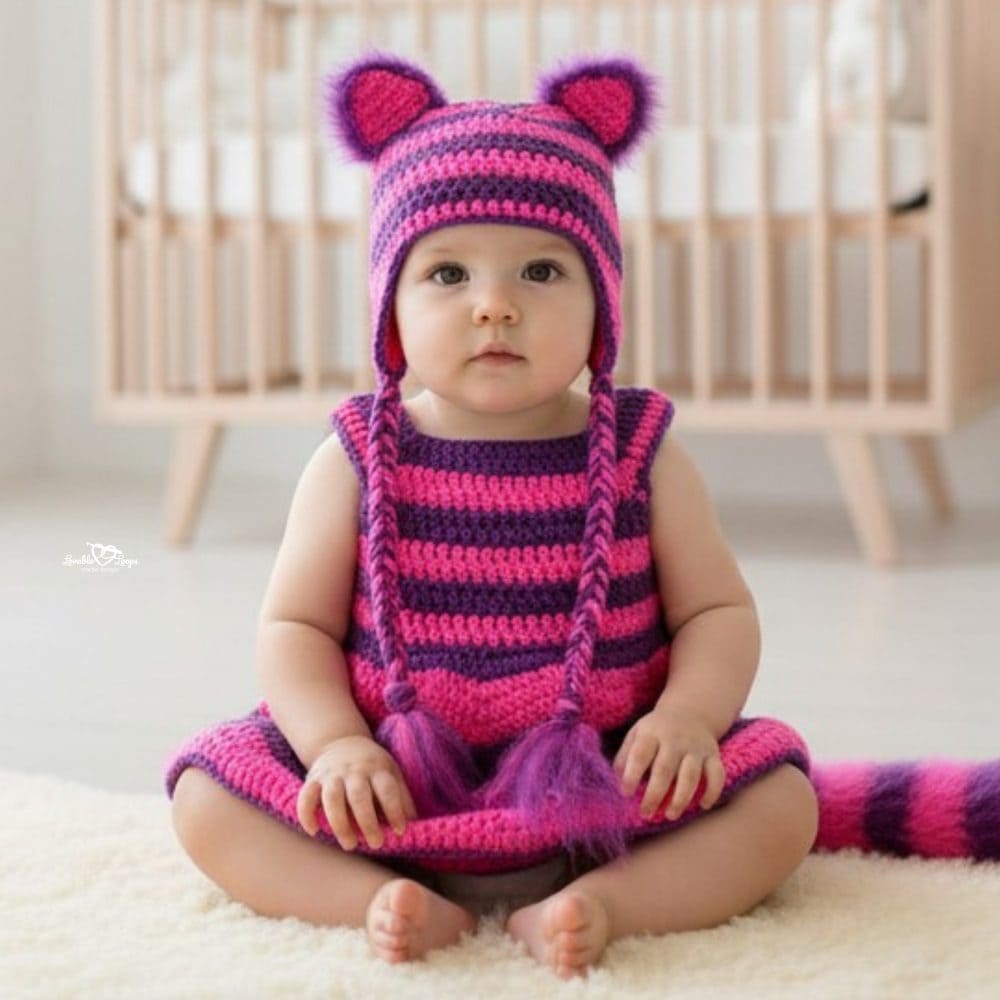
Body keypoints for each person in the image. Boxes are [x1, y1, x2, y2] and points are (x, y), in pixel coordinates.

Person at [165, 53, 819, 979]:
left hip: (597, 789)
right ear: (390, 306)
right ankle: (377, 902)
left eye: (542, 270)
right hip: (393, 795)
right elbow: (295, 626)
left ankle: (602, 905)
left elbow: (717, 611)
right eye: (447, 274)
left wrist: (685, 720)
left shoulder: (641, 449)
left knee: (784, 800)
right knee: (204, 793)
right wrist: (338, 746)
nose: (495, 306)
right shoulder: (355, 457)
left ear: (603, 305)